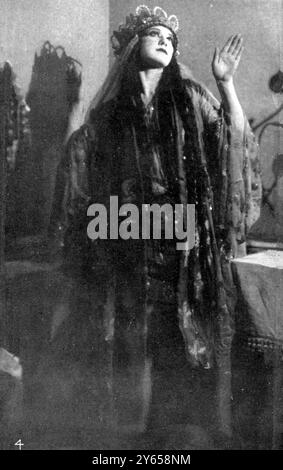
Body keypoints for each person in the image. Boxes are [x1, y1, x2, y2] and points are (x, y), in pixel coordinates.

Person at [49, 5, 256, 443]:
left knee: (174, 348)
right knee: (128, 348)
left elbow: (232, 142)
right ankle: (129, 437)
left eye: (170, 37)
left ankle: (170, 436)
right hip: (125, 241)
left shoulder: (192, 97)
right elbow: (79, 159)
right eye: (154, 33)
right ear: (131, 48)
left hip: (179, 251)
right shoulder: (110, 114)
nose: (165, 40)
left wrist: (226, 83)